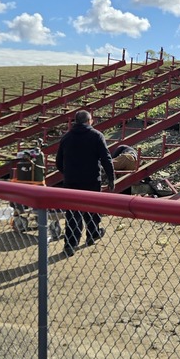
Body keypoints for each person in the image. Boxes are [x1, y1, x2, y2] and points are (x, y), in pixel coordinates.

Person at [55, 110, 115, 257]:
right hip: (91, 179)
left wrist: (67, 173)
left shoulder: (66, 137)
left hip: (71, 181)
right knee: (92, 208)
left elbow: (58, 161)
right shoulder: (96, 136)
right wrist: (111, 178)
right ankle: (92, 234)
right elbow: (106, 159)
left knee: (72, 213)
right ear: (89, 121)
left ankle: (70, 243)